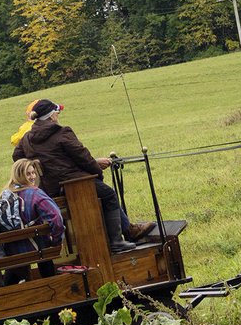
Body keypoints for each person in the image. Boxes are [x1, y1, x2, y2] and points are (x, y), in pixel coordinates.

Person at [15, 99, 153, 253]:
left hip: (49, 189)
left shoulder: (26, 138)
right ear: (51, 115)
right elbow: (83, 157)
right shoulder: (62, 132)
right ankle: (117, 241)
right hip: (75, 183)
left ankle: (129, 229)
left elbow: (17, 157)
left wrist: (40, 169)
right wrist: (97, 173)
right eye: (57, 112)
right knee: (108, 194)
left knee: (103, 192)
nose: (58, 115)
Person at [0, 158, 65, 278]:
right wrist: (56, 241)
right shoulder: (34, 193)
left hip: (13, 250)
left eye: (33, 172)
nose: (33, 176)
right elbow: (56, 217)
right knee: (45, 254)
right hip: (36, 248)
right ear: (20, 175)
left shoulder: (5, 194)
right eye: (28, 174)